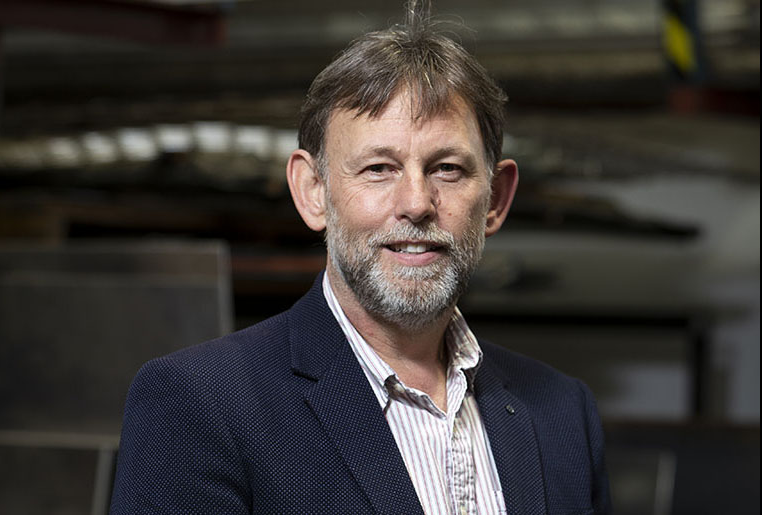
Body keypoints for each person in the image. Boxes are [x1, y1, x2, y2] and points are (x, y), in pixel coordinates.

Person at [110, 10, 611, 515]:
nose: (416, 202)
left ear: (496, 200)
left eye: (447, 169)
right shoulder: (200, 405)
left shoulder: (562, 414)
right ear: (313, 192)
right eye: (378, 168)